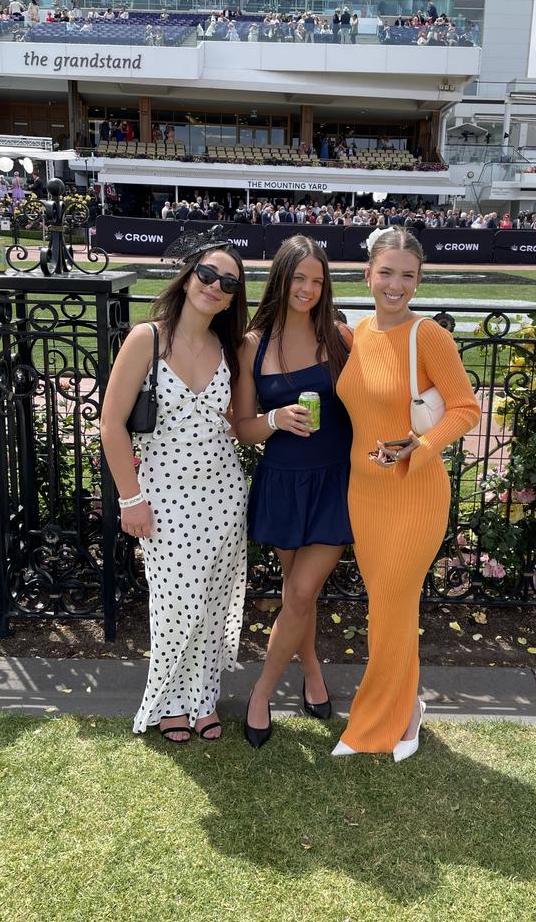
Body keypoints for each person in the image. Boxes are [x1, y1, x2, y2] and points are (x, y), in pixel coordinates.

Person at [332, 227, 480, 760]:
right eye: (387, 272)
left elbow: (465, 408)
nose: (396, 284)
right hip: (364, 493)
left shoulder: (429, 335)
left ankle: (373, 724)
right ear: (368, 274)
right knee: (388, 607)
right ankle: (409, 706)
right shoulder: (358, 331)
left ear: (418, 281)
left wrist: (419, 445)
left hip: (414, 492)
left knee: (394, 602)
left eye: (408, 275)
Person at [101, 228, 249, 743]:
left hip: (224, 494)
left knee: (210, 604)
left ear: (234, 297)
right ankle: (167, 700)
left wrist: (275, 422)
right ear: (188, 278)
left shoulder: (228, 347)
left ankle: (202, 699)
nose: (215, 285)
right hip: (163, 496)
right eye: (207, 274)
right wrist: (131, 499)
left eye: (228, 282)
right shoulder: (149, 337)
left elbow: (233, 422)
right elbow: (110, 423)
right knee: (173, 605)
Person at [233, 236, 353, 748]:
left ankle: (260, 693)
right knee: (295, 595)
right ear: (280, 278)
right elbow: (242, 427)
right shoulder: (252, 342)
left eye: (317, 281)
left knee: (302, 592)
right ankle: (312, 674)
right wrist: (275, 418)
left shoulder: (342, 337)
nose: (307, 289)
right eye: (299, 278)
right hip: (283, 481)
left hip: (336, 482)